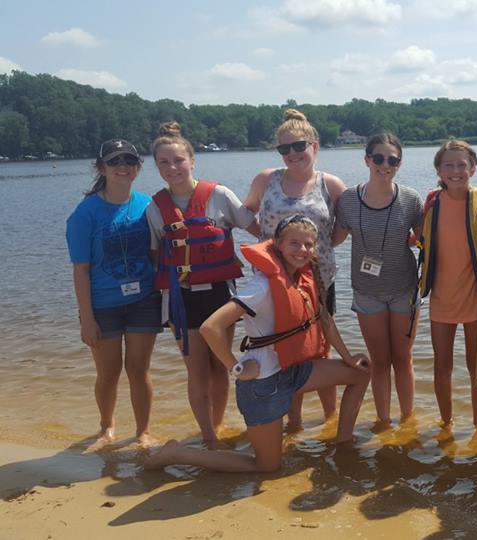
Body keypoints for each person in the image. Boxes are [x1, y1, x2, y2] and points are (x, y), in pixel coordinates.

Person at [145, 215, 370, 473]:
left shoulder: (304, 278)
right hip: (264, 383)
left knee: (360, 373)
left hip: (294, 372)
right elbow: (210, 327)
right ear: (278, 245)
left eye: (308, 244)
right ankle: (177, 453)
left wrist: (348, 356)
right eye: (294, 243)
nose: (302, 250)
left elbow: (326, 322)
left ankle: (343, 445)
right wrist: (236, 368)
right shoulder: (261, 286)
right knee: (266, 467)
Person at [146, 121, 257, 448]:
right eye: (164, 163)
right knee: (196, 370)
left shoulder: (219, 196)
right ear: (157, 168)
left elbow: (257, 230)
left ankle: (218, 426)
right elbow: (155, 256)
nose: (172, 168)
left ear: (192, 161)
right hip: (182, 300)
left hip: (221, 295)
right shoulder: (155, 208)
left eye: (178, 160)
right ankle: (208, 435)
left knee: (220, 366)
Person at [243, 108, 345, 430]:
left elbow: (341, 229)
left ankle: (331, 419)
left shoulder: (331, 184)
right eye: (284, 149)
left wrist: (320, 251)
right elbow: (245, 214)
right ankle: (294, 422)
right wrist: (268, 247)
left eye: (299, 146)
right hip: (274, 285)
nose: (292, 154)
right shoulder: (266, 180)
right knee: (284, 353)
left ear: (314, 145)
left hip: (319, 283)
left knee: (320, 351)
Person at [67, 139, 161, 445]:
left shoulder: (148, 204)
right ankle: (106, 426)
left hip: (143, 300)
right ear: (101, 167)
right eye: (114, 161)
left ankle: (142, 431)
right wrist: (86, 319)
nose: (122, 167)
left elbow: (157, 254)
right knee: (108, 373)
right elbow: (80, 270)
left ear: (138, 168)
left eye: (129, 161)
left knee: (139, 369)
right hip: (103, 305)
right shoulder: (85, 213)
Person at [333, 133, 423, 425]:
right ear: (367, 160)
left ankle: (407, 421)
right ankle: (384, 421)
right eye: (379, 158)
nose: (385, 165)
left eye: (392, 160)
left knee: (403, 359)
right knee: (381, 361)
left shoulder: (410, 199)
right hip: (367, 291)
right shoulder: (347, 199)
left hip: (404, 289)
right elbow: (332, 238)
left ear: (399, 163)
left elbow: (425, 238)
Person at [419, 140, 477, 427]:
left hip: (474, 294)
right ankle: (446, 423)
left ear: (473, 168)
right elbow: (418, 237)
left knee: (476, 366)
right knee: (442, 366)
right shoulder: (432, 202)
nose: (455, 171)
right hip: (441, 296)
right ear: (438, 169)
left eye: (462, 164)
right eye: (448, 165)